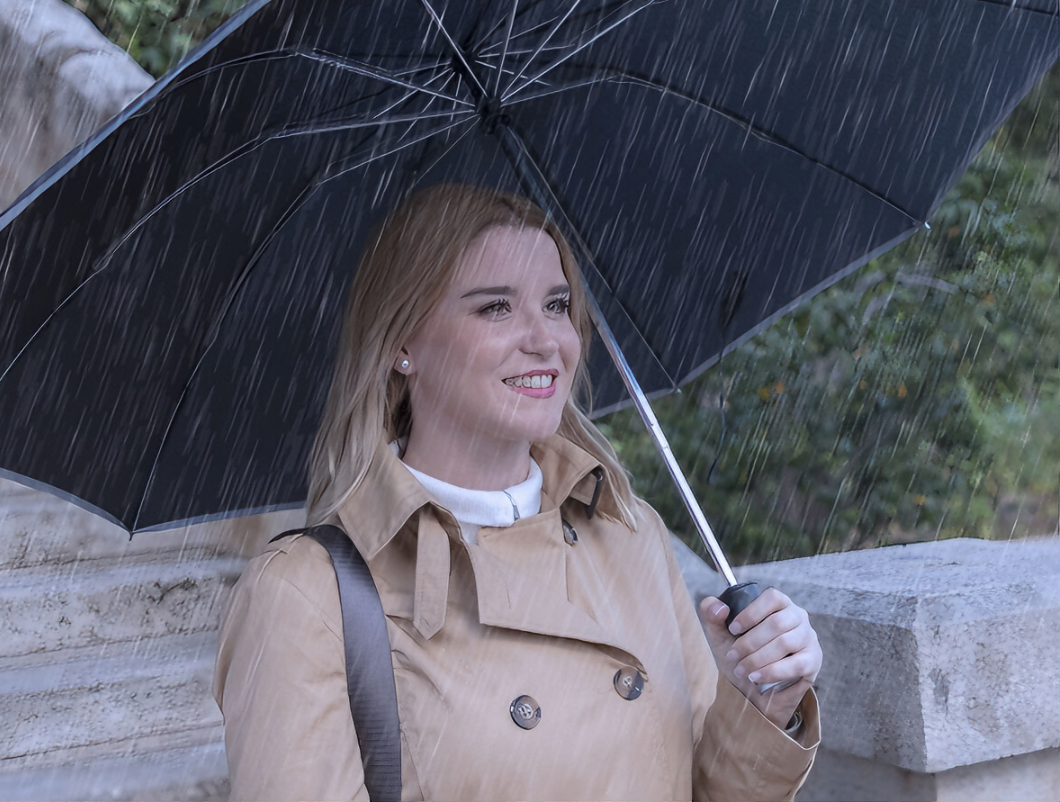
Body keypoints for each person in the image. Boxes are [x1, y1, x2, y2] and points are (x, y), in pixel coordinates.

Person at [214, 183, 822, 801]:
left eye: (557, 305)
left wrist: (757, 705)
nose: (545, 339)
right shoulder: (305, 591)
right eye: (495, 308)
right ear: (402, 345)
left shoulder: (631, 534)